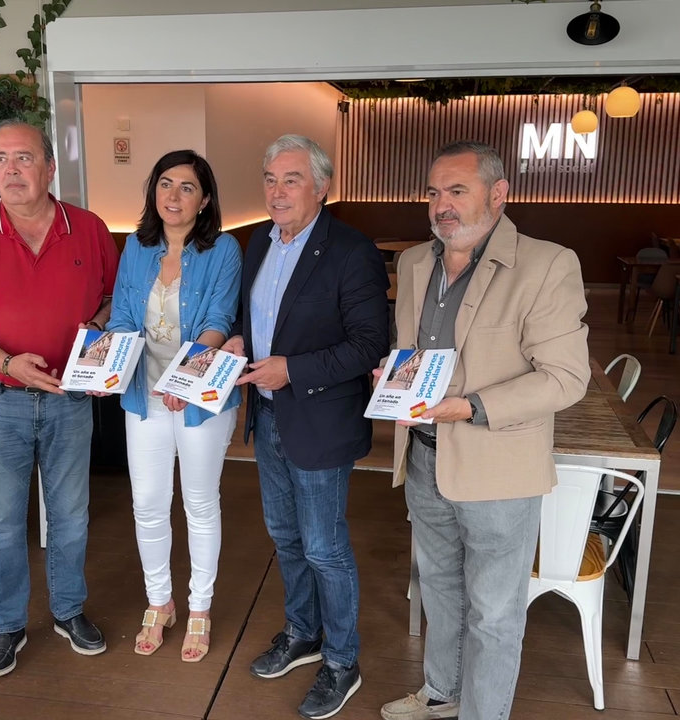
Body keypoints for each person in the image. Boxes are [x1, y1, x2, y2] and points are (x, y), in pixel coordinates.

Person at [379, 141, 590, 720]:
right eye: (433, 192)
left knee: (495, 613)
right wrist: (395, 378)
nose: (441, 205)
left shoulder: (547, 263)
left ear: (498, 195)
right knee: (440, 592)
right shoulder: (416, 263)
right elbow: (414, 355)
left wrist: (467, 407)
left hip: (498, 467)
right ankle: (443, 695)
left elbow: (566, 380)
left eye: (457, 191)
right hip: (424, 458)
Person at [0, 119, 119, 677]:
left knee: (72, 516)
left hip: (70, 398)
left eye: (24, 158)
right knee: (5, 520)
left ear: (50, 167)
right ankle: (9, 625)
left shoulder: (88, 228)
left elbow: (114, 302)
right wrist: (8, 363)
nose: (11, 169)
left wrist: (96, 331)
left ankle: (67, 611)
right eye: (0, 159)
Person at [223, 134, 390, 719]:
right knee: (285, 536)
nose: (277, 190)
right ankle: (303, 632)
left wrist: (291, 368)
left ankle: (343, 661)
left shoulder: (350, 250)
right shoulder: (256, 243)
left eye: (291, 179)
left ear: (322, 187)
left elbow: (371, 344)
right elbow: (257, 320)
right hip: (267, 416)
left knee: (324, 547)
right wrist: (244, 341)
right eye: (270, 178)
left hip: (319, 420)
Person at [106, 150, 242, 663]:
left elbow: (218, 320)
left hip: (201, 399)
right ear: (153, 192)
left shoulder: (224, 249)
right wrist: (107, 362)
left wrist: (184, 382)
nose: (174, 196)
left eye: (187, 187)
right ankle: (159, 602)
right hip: (143, 396)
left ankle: (200, 608)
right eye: (165, 184)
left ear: (204, 199)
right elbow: (122, 314)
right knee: (147, 504)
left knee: (200, 503)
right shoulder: (136, 249)